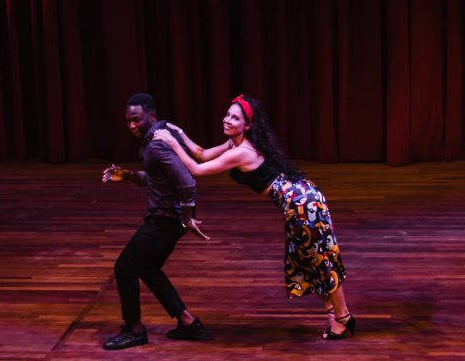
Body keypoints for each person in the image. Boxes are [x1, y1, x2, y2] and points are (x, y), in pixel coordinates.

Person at [152, 94, 355, 340]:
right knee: (312, 260)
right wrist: (180, 134)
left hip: (302, 204)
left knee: (320, 261)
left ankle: (343, 318)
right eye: (227, 114)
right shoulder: (235, 144)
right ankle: (335, 316)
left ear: (247, 125)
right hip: (303, 198)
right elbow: (202, 154)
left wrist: (171, 143)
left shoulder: (242, 151)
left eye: (235, 118)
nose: (227, 120)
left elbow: (196, 170)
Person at [100, 93, 209, 350]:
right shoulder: (162, 133)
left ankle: (134, 330)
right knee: (147, 267)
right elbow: (158, 179)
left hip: (165, 219)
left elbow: (187, 183)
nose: (131, 125)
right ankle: (187, 322)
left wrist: (187, 218)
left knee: (125, 267)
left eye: (136, 120)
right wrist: (128, 176)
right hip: (168, 218)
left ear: (151, 115)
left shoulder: (157, 145)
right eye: (128, 121)